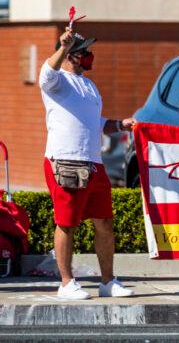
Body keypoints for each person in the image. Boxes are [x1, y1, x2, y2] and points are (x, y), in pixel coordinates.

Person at [39, 26, 137, 300]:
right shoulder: (57, 81)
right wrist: (63, 46)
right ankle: (66, 283)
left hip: (94, 162)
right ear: (72, 55)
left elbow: (96, 123)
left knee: (104, 221)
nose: (89, 56)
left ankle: (108, 282)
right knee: (66, 223)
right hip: (65, 161)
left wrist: (119, 124)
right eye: (84, 52)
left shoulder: (90, 86)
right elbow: (46, 74)